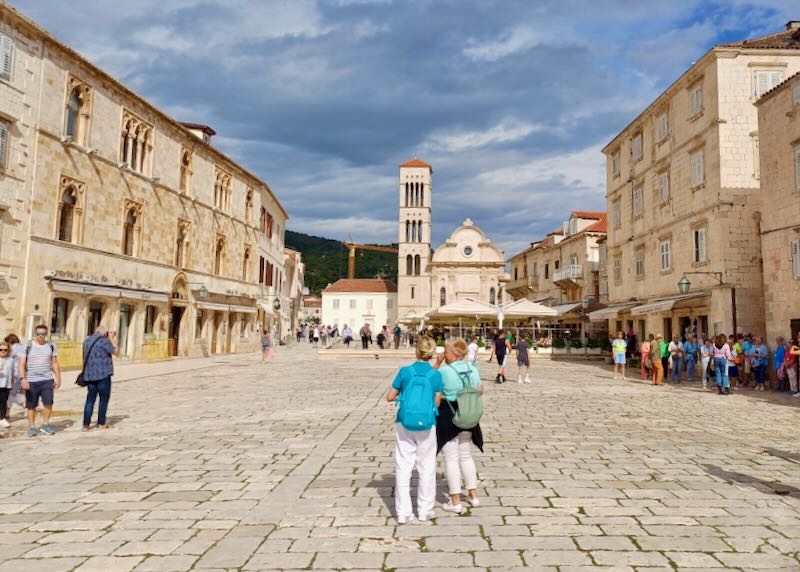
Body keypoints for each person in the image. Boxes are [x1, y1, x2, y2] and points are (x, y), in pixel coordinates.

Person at [386, 336, 443, 524]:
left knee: (403, 465)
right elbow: (437, 402)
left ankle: (403, 513)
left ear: (416, 352)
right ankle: (425, 510)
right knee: (426, 466)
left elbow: (389, 396)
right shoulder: (436, 375)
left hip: (404, 422)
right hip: (427, 423)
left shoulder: (405, 371)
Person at [433, 339, 483, 514]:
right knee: (466, 456)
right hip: (469, 416)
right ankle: (473, 495)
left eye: (446, 352)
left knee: (451, 459)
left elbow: (431, 384)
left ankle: (455, 501)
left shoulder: (445, 371)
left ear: (454, 355)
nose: (443, 355)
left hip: (450, 416)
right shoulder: (472, 369)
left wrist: (437, 364)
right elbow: (481, 390)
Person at [18, 324, 62, 437]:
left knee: (48, 402)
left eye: (43, 334)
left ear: (46, 334)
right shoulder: (27, 346)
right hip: (31, 380)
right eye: (38, 334)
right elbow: (21, 363)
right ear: (35, 334)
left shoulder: (51, 346)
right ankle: (32, 426)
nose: (40, 336)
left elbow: (54, 363)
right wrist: (22, 379)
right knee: (31, 405)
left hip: (47, 379)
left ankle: (46, 424)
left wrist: (58, 378)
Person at [82, 326, 118, 430]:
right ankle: (101, 423)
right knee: (103, 399)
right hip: (103, 374)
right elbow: (115, 351)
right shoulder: (103, 341)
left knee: (90, 399)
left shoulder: (86, 341)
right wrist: (111, 338)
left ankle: (86, 424)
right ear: (104, 333)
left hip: (90, 375)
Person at [4, 334, 25, 422]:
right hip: (23, 374)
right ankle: (7, 412)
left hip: (14, 374)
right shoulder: (23, 347)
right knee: (15, 393)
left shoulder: (12, 348)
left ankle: (25, 406)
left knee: (11, 394)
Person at [0, 341, 13, 428]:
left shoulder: (10, 360)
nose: (3, 351)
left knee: (3, 402)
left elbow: (11, 372)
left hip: (6, 385)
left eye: (5, 350)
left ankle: (2, 419)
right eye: (1, 349)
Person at [787, 333, 800, 397]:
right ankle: (792, 390)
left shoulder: (795, 348)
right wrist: (786, 363)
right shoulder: (788, 349)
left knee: (794, 379)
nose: (790, 343)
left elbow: (794, 358)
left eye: (791, 342)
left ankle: (796, 391)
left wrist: (788, 363)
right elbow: (786, 357)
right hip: (788, 365)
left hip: (793, 365)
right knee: (790, 378)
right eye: (789, 342)